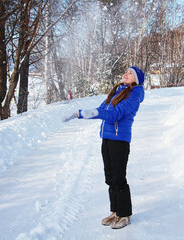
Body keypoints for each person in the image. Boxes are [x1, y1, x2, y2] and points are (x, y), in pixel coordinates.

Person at [61, 66, 145, 229]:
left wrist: (94, 113)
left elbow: (115, 114)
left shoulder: (134, 95)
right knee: (110, 177)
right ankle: (115, 211)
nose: (126, 74)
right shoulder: (117, 91)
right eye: (126, 72)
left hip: (119, 140)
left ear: (136, 80)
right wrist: (80, 113)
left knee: (119, 178)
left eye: (130, 73)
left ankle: (125, 214)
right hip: (107, 138)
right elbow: (101, 110)